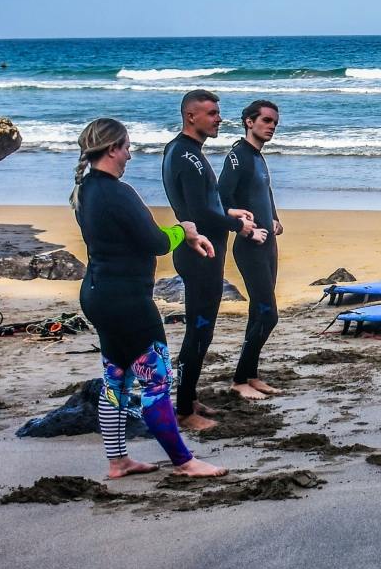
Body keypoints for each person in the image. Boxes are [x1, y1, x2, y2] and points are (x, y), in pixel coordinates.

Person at [70, 118, 226, 479]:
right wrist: (183, 230)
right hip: (126, 302)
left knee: (116, 380)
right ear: (112, 149)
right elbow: (156, 243)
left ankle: (118, 461)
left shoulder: (86, 190)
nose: (129, 153)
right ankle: (184, 461)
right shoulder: (116, 192)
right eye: (126, 147)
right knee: (155, 381)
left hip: (98, 295)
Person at [162, 89, 257, 432]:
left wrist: (227, 211)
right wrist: (238, 225)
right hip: (199, 254)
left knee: (202, 332)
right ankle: (184, 411)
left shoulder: (184, 151)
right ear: (191, 116)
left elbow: (201, 205)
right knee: (198, 333)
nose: (219, 118)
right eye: (213, 113)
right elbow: (199, 212)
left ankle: (188, 398)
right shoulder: (187, 156)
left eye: (218, 112)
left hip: (202, 253)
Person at [218, 100, 284, 400]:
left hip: (268, 243)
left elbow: (263, 192)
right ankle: (238, 380)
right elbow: (221, 199)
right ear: (249, 121)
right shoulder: (238, 156)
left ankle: (250, 375)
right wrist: (243, 227)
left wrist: (274, 219)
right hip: (250, 247)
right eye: (266, 121)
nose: (271, 126)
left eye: (274, 122)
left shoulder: (258, 157)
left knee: (259, 312)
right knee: (268, 314)